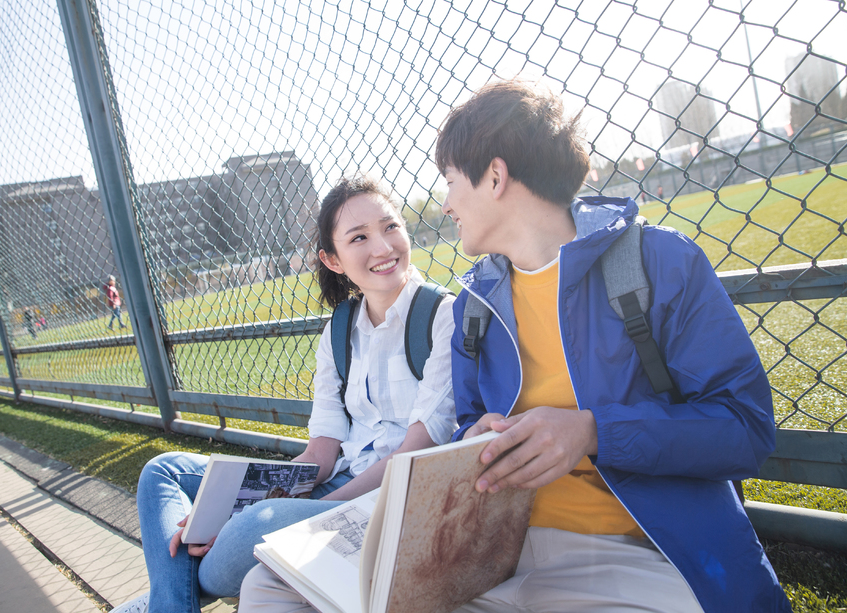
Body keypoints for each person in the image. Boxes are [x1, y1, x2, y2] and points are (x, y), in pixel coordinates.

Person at [240, 81, 791, 612]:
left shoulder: (658, 263)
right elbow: (467, 426)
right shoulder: (475, 304)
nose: (447, 201)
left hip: (632, 552)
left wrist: (593, 431)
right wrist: (471, 439)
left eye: (452, 179)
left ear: (496, 177)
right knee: (270, 585)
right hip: (489, 552)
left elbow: (745, 427)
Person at [112, 175, 457, 613]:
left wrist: (289, 515)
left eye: (391, 227)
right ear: (333, 260)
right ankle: (171, 598)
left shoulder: (441, 316)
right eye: (359, 238)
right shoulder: (338, 332)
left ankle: (164, 599)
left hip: (389, 499)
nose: (383, 248)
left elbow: (415, 454)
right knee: (165, 471)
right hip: (335, 482)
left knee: (253, 526)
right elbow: (321, 455)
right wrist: (257, 497)